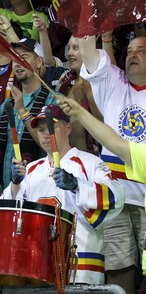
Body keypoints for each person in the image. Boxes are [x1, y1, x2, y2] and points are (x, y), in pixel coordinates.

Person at [4, 105, 124, 284]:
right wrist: (14, 183)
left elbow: (116, 197)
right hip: (37, 268)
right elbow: (9, 218)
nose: (46, 134)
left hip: (81, 267)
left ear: (69, 128)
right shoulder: (30, 170)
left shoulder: (90, 163)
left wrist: (77, 185)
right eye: (41, 130)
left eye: (53, 128)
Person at [78, 33, 146, 292]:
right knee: (118, 272)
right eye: (129, 50)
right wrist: (92, 22)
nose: (132, 55)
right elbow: (87, 51)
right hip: (115, 199)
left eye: (141, 50)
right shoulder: (113, 82)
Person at [0, 38, 58, 190]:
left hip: (40, 191)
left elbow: (52, 146)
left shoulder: (54, 99)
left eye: (24, 58)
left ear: (39, 62)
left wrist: (22, 111)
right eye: (14, 59)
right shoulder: (8, 104)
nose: (17, 63)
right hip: (8, 191)